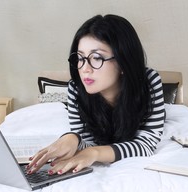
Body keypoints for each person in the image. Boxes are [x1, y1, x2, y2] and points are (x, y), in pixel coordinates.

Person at [27, 14, 165, 175]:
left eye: (97, 58)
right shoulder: (76, 89)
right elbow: (89, 144)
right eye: (80, 58)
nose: (85, 68)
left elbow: (146, 145)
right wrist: (73, 139)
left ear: (123, 61)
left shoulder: (148, 82)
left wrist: (95, 153)